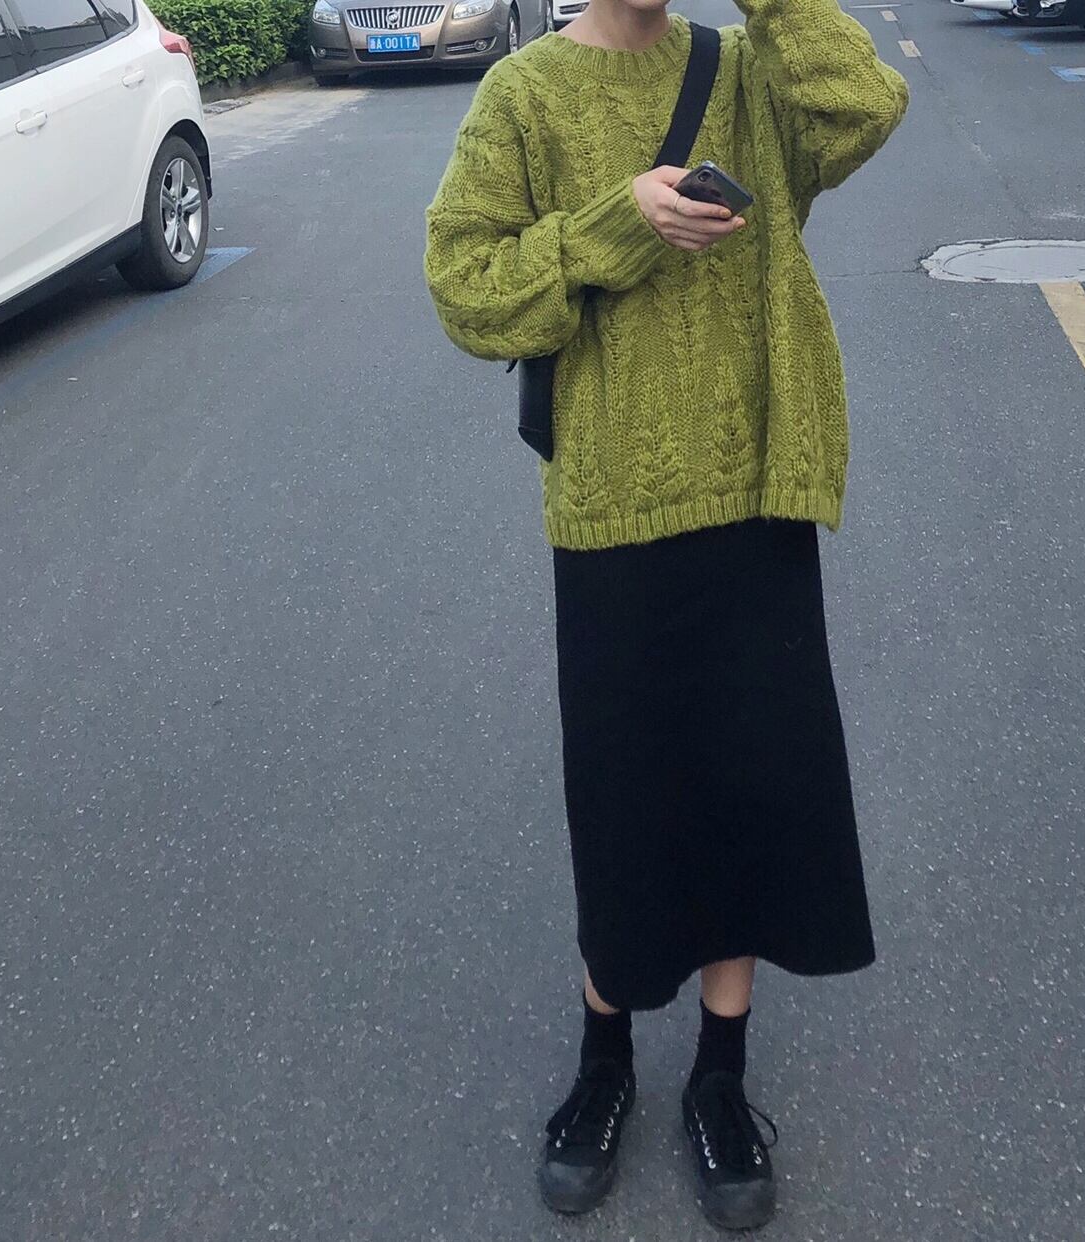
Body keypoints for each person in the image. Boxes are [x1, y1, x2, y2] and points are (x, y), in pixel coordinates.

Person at [424, 0, 907, 1227]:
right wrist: (615, 223)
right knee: (628, 801)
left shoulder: (746, 70)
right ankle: (606, 1062)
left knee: (750, 789)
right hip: (612, 511)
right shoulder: (524, 95)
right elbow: (467, 291)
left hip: (754, 491)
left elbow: (866, 105)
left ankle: (720, 1076)